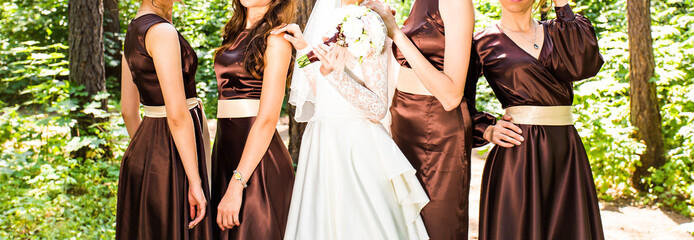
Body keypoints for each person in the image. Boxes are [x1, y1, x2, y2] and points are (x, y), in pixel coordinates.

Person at [271, 0, 430, 239]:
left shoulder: (368, 21)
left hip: (355, 145)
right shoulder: (329, 22)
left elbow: (378, 107)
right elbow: (320, 91)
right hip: (321, 140)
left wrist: (336, 76)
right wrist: (303, 47)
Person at [471, 0, 606, 239]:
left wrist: (562, 4)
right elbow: (456, 101)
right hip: (519, 154)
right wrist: (486, 128)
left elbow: (585, 65)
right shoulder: (481, 42)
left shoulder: (561, 32)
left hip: (567, 153)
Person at [365, 0, 500, 238]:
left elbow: (451, 96)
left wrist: (396, 32)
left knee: (435, 225)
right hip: (404, 123)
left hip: (435, 131)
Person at [117, 0, 212, 239]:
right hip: (175, 150)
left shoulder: (133, 29)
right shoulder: (162, 31)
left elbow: (128, 110)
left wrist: (149, 155)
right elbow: (177, 116)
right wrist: (194, 180)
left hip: (148, 147)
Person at [211, 0, 296, 239]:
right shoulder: (234, 32)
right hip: (225, 150)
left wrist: (237, 183)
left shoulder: (277, 39)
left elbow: (268, 118)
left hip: (258, 161)